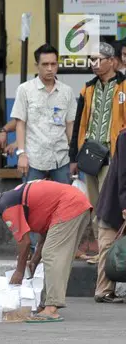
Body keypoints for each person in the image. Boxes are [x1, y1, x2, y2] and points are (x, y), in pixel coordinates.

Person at [0, 180, 92, 322]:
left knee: (52, 254)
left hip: (71, 205)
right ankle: (45, 305)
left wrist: (19, 272)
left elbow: (24, 242)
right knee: (50, 253)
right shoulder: (11, 198)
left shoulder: (8, 206)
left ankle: (52, 307)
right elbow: (45, 233)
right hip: (75, 202)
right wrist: (34, 261)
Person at [9, 44, 78, 252]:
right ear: (37, 65)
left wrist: (73, 157)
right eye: (45, 64)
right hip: (34, 157)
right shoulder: (25, 90)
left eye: (54, 64)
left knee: (65, 204)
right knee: (30, 205)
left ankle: (62, 247)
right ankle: (31, 251)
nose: (50, 68)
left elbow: (70, 126)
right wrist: (21, 154)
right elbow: (20, 123)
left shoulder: (66, 92)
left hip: (61, 158)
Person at [70, 42, 126, 245]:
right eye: (91, 59)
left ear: (112, 61)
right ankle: (101, 247)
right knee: (94, 203)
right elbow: (78, 124)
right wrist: (73, 157)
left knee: (108, 204)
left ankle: (111, 248)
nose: (93, 63)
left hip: (114, 154)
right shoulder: (88, 88)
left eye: (98, 59)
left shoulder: (124, 85)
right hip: (90, 155)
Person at [93, 129, 126, 303]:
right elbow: (123, 173)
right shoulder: (124, 136)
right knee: (108, 243)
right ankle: (103, 290)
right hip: (114, 201)